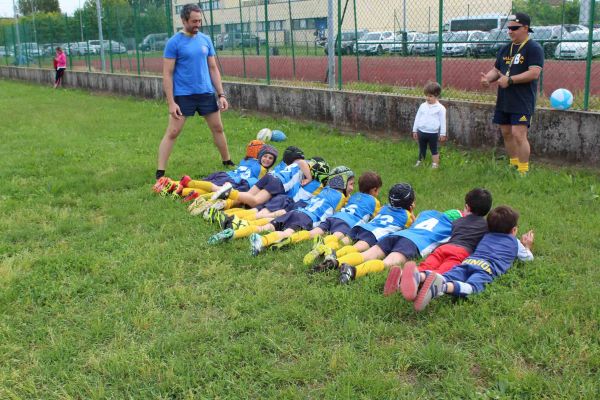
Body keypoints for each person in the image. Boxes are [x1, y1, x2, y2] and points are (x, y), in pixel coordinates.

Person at [401, 205, 534, 311]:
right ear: (514, 230)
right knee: (472, 287)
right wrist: (527, 246)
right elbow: (528, 258)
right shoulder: (514, 242)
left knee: (448, 275)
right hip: (486, 269)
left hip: (469, 262)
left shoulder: (486, 235)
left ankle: (419, 276)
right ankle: (442, 288)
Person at [156, 3, 233, 182]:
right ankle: (160, 172)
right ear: (184, 20)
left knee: (218, 128)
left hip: (206, 93)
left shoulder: (205, 40)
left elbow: (213, 68)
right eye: (194, 21)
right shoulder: (174, 43)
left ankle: (227, 161)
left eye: (199, 20)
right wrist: (171, 103)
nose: (197, 24)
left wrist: (221, 94)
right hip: (184, 95)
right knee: (173, 132)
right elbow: (167, 74)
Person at [206, 167, 355, 255]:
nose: (352, 188)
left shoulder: (324, 191)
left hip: (296, 212)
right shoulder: (341, 198)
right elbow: (339, 213)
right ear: (341, 182)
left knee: (265, 226)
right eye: (351, 184)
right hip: (307, 219)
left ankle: (233, 234)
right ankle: (262, 242)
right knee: (286, 233)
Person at [384, 188, 492, 296]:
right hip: (461, 253)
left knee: (427, 264)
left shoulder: (457, 222)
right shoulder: (486, 227)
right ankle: (421, 281)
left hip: (443, 248)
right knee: (442, 272)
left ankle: (405, 275)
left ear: (467, 207)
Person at [480, 13, 544, 176]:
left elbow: (534, 73)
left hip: (522, 100)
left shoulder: (534, 48)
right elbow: (497, 70)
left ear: (525, 28)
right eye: (509, 28)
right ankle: (513, 165)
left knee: (518, 134)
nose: (510, 31)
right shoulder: (505, 48)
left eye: (514, 28)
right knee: (506, 133)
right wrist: (488, 79)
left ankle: (523, 170)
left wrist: (510, 80)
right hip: (504, 100)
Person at [335, 209, 463, 285]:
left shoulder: (428, 213)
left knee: (366, 255)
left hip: (398, 235)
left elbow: (415, 219)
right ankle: (354, 272)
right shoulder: (451, 228)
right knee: (387, 263)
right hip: (413, 242)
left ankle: (336, 262)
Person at [312, 183, 416, 272]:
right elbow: (412, 227)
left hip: (362, 227)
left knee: (343, 242)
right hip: (374, 234)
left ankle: (325, 248)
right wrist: (411, 212)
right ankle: (333, 258)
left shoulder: (384, 208)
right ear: (410, 204)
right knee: (355, 248)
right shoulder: (408, 216)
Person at [412, 81, 446, 169]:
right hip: (421, 132)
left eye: (430, 96)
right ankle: (420, 161)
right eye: (426, 95)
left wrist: (443, 134)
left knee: (433, 149)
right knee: (422, 148)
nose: (427, 98)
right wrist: (415, 130)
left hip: (432, 134)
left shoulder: (441, 108)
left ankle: (435, 164)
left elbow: (443, 122)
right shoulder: (422, 106)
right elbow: (417, 118)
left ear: (437, 96)